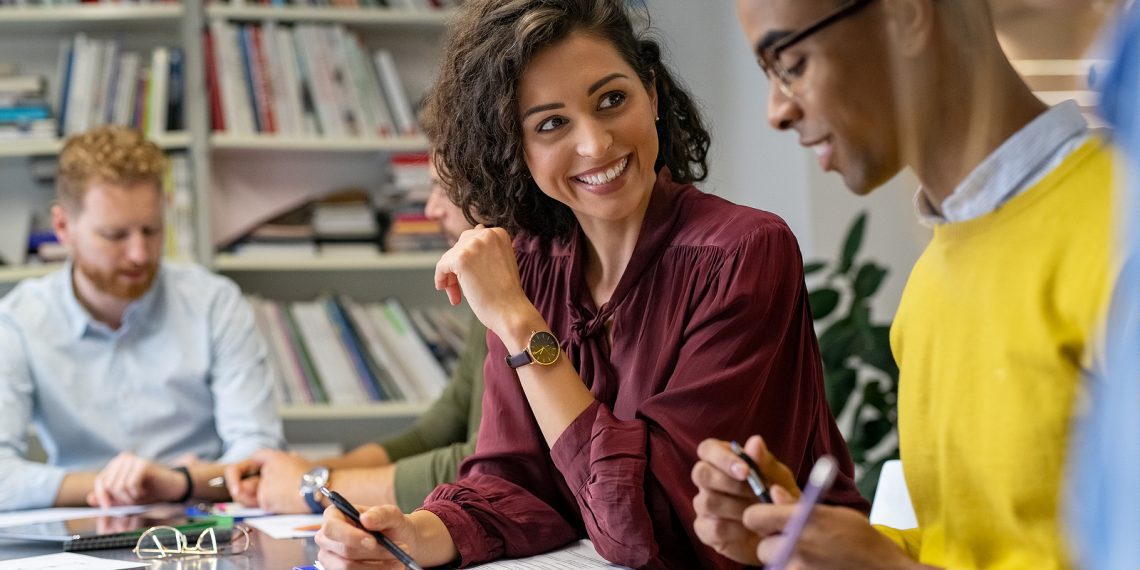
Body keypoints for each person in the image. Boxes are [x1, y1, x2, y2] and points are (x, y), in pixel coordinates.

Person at [314, 0, 867, 568]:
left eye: (612, 100)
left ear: (651, 95)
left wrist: (520, 324)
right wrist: (414, 535)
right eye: (552, 123)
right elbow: (515, 482)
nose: (596, 144)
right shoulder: (529, 264)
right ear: (516, 147)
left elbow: (648, 523)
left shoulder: (743, 252)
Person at [691, 1, 1116, 568]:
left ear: (908, 14)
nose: (776, 110)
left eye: (789, 61)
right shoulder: (929, 286)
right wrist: (806, 535)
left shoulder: (1119, 230)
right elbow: (941, 546)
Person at [0, 126, 283, 511]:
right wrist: (117, 484)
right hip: (80, 527)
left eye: (151, 230)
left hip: (200, 520)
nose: (139, 253)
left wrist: (178, 483)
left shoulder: (215, 303)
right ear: (64, 227)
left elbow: (259, 460)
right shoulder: (18, 321)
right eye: (115, 235)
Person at [224, 156, 489, 514]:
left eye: (444, 187)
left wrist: (317, 488)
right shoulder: (487, 287)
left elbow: (485, 463)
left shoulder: (518, 288)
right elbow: (440, 427)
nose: (430, 209)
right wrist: (314, 473)